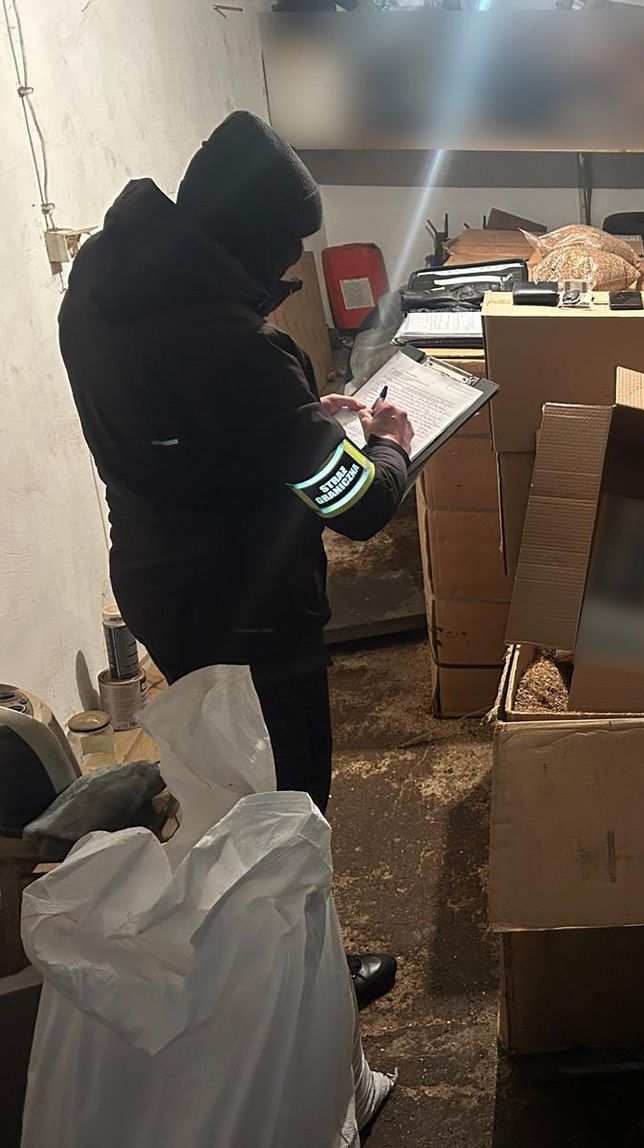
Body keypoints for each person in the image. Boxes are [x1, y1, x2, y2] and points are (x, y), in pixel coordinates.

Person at [60, 111, 412, 1007]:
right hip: (249, 612)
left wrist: (292, 420)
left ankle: (246, 961)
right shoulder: (227, 342)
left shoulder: (101, 279)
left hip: (159, 578)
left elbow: (189, 423)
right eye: (281, 253)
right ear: (249, 236)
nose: (283, 272)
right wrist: (390, 445)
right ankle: (296, 994)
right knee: (286, 802)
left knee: (221, 781)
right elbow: (359, 505)